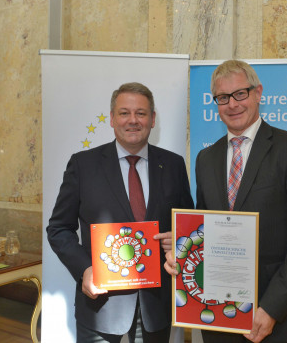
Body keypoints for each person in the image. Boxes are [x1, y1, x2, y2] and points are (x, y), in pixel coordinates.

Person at [165, 60, 287, 343]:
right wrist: (181, 249)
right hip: (219, 319)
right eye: (223, 97)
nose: (232, 104)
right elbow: (206, 231)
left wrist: (271, 308)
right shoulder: (206, 159)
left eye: (240, 93)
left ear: (258, 93)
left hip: (281, 321)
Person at [46, 82, 194, 343]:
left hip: (156, 306)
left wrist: (179, 239)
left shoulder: (172, 165)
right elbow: (58, 229)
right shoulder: (83, 165)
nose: (133, 120)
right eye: (124, 113)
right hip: (101, 305)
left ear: (153, 119)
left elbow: (188, 226)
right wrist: (85, 270)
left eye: (141, 113)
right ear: (112, 119)